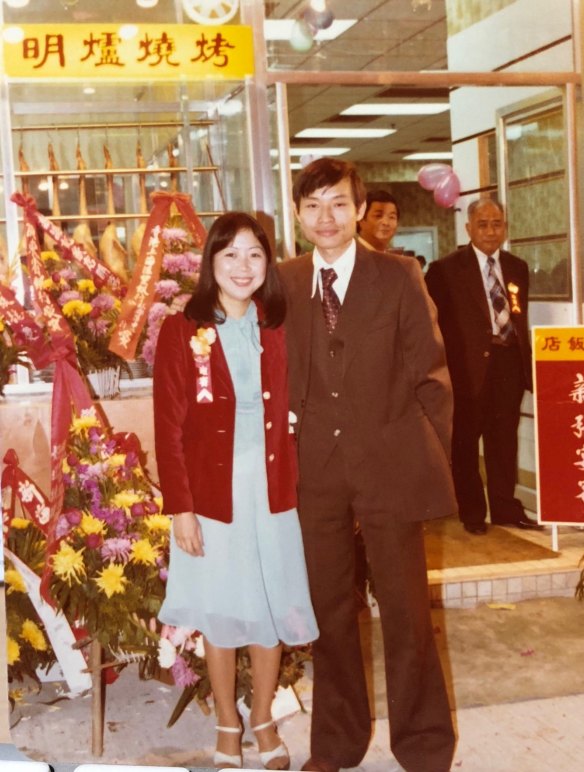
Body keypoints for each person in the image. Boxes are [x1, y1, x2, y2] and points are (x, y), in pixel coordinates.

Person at [279, 158, 456, 772]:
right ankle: (336, 744)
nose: (325, 217)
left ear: (359, 211)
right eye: (312, 206)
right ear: (298, 216)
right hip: (315, 474)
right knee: (329, 611)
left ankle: (426, 745)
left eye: (337, 204)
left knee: (407, 610)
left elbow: (431, 375)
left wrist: (430, 461)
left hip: (391, 464)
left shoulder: (400, 275)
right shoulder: (283, 280)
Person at [153, 212, 318, 770]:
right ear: (211, 264)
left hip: (273, 492)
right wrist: (181, 509)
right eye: (230, 255)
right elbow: (168, 428)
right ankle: (228, 722)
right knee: (221, 614)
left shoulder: (281, 324)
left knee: (269, 610)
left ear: (268, 263)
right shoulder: (182, 329)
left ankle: (265, 718)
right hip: (213, 496)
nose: (243, 267)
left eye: (254, 254)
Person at [425, 198, 541, 535]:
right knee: (465, 442)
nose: (491, 231)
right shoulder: (446, 270)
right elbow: (433, 325)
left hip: (509, 365)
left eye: (497, 224)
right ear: (469, 228)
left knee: (504, 441)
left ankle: (506, 508)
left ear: (505, 227)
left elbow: (519, 317)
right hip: (465, 370)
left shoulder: (517, 267)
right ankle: (472, 511)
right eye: (483, 224)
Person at [357, 188, 400, 254]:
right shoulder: (348, 256)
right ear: (361, 220)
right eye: (378, 216)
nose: (386, 223)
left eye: (392, 217)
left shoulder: (398, 260)